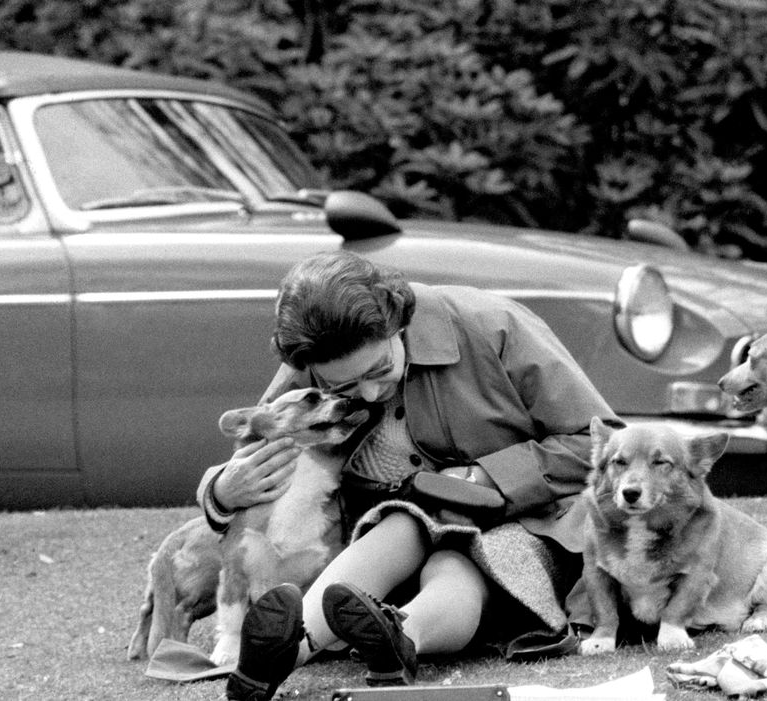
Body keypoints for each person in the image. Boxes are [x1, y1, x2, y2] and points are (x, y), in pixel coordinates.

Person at [195, 251, 618, 701]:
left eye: (379, 370)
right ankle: (284, 653)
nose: (370, 393)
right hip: (392, 534)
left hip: (524, 521)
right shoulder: (319, 354)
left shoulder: (492, 325)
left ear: (397, 321)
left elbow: (601, 442)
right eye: (345, 388)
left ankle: (402, 636)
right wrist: (220, 491)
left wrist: (484, 477)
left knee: (455, 562)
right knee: (402, 523)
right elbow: (259, 439)